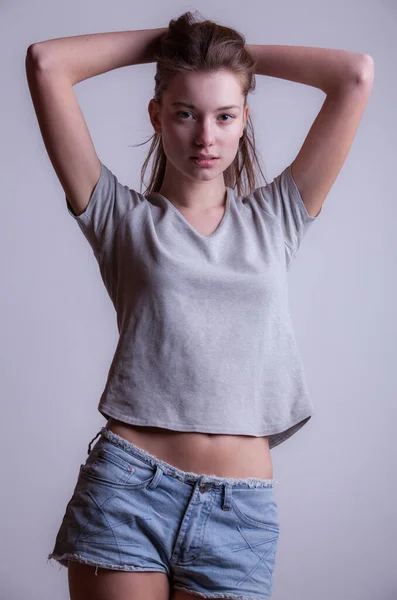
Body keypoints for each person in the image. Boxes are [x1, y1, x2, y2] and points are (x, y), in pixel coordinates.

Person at [26, 9, 373, 600]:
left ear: (243, 121)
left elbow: (355, 76)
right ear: (158, 116)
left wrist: (229, 58)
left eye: (224, 115)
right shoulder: (121, 219)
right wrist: (175, 52)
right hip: (128, 492)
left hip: (239, 514)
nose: (205, 137)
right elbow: (46, 63)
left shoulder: (277, 219)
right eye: (185, 113)